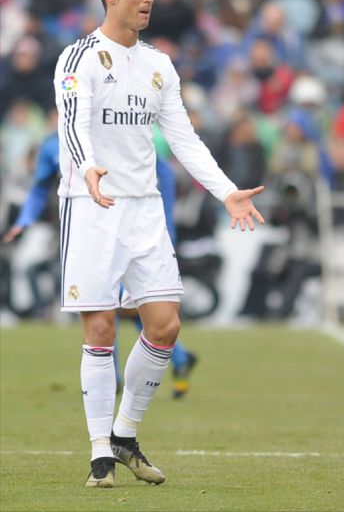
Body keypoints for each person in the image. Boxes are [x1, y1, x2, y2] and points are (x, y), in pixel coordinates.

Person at [54, 0, 264, 488]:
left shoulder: (159, 65)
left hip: (145, 208)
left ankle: (124, 434)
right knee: (101, 328)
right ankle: (100, 453)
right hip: (93, 205)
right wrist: (87, 167)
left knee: (166, 325)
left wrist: (226, 191)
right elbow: (74, 124)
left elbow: (184, 138)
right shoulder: (79, 57)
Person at [1, 129, 199, 399]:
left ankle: (119, 376)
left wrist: (166, 225)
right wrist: (25, 220)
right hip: (87, 234)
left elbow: (162, 172)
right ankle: (175, 359)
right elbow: (39, 186)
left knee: (122, 304)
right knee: (110, 305)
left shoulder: (115, 130)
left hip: (131, 229)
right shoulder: (52, 145)